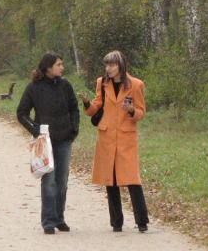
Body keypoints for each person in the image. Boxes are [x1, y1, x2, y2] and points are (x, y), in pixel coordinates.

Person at [79, 50, 149, 233]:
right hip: (107, 136)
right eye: (106, 65)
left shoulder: (136, 85)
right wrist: (87, 104)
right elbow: (95, 109)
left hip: (126, 137)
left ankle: (142, 221)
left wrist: (131, 110)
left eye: (111, 65)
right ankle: (116, 222)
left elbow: (141, 113)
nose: (108, 68)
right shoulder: (102, 83)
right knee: (111, 180)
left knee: (132, 179)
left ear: (121, 65)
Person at [16, 52, 79, 234]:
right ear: (48, 67)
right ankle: (48, 221)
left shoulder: (65, 86)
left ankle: (60, 218)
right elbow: (22, 113)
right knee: (49, 179)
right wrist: (35, 129)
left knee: (62, 180)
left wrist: (74, 128)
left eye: (62, 64)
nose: (62, 67)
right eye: (59, 64)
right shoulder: (33, 88)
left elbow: (74, 108)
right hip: (45, 141)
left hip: (64, 138)